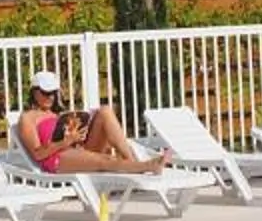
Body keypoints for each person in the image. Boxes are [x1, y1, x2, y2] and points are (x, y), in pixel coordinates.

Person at [15, 69, 171, 173]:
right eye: (45, 92)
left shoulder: (57, 114)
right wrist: (65, 142)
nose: (50, 97)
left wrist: (78, 135)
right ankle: (145, 166)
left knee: (105, 111)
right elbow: (38, 154)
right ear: (34, 92)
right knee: (104, 159)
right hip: (56, 158)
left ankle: (131, 161)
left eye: (53, 93)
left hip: (77, 150)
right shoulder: (27, 118)